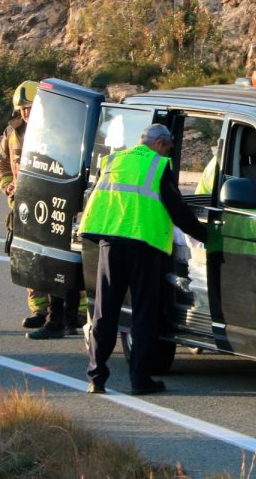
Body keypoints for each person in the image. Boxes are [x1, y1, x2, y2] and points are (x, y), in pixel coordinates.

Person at [80, 123, 208, 395]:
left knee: (106, 312)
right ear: (160, 144)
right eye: (169, 148)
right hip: (143, 246)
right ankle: (140, 380)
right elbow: (179, 211)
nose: (169, 154)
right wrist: (206, 235)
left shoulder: (115, 159)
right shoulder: (158, 167)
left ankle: (96, 377)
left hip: (110, 243)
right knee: (143, 314)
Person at [0, 80, 52, 330]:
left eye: (30, 107)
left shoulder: (55, 130)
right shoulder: (12, 132)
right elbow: (1, 161)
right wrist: (8, 187)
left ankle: (75, 310)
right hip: (24, 206)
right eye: (22, 109)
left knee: (59, 257)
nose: (26, 113)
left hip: (51, 202)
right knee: (29, 258)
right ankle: (39, 310)